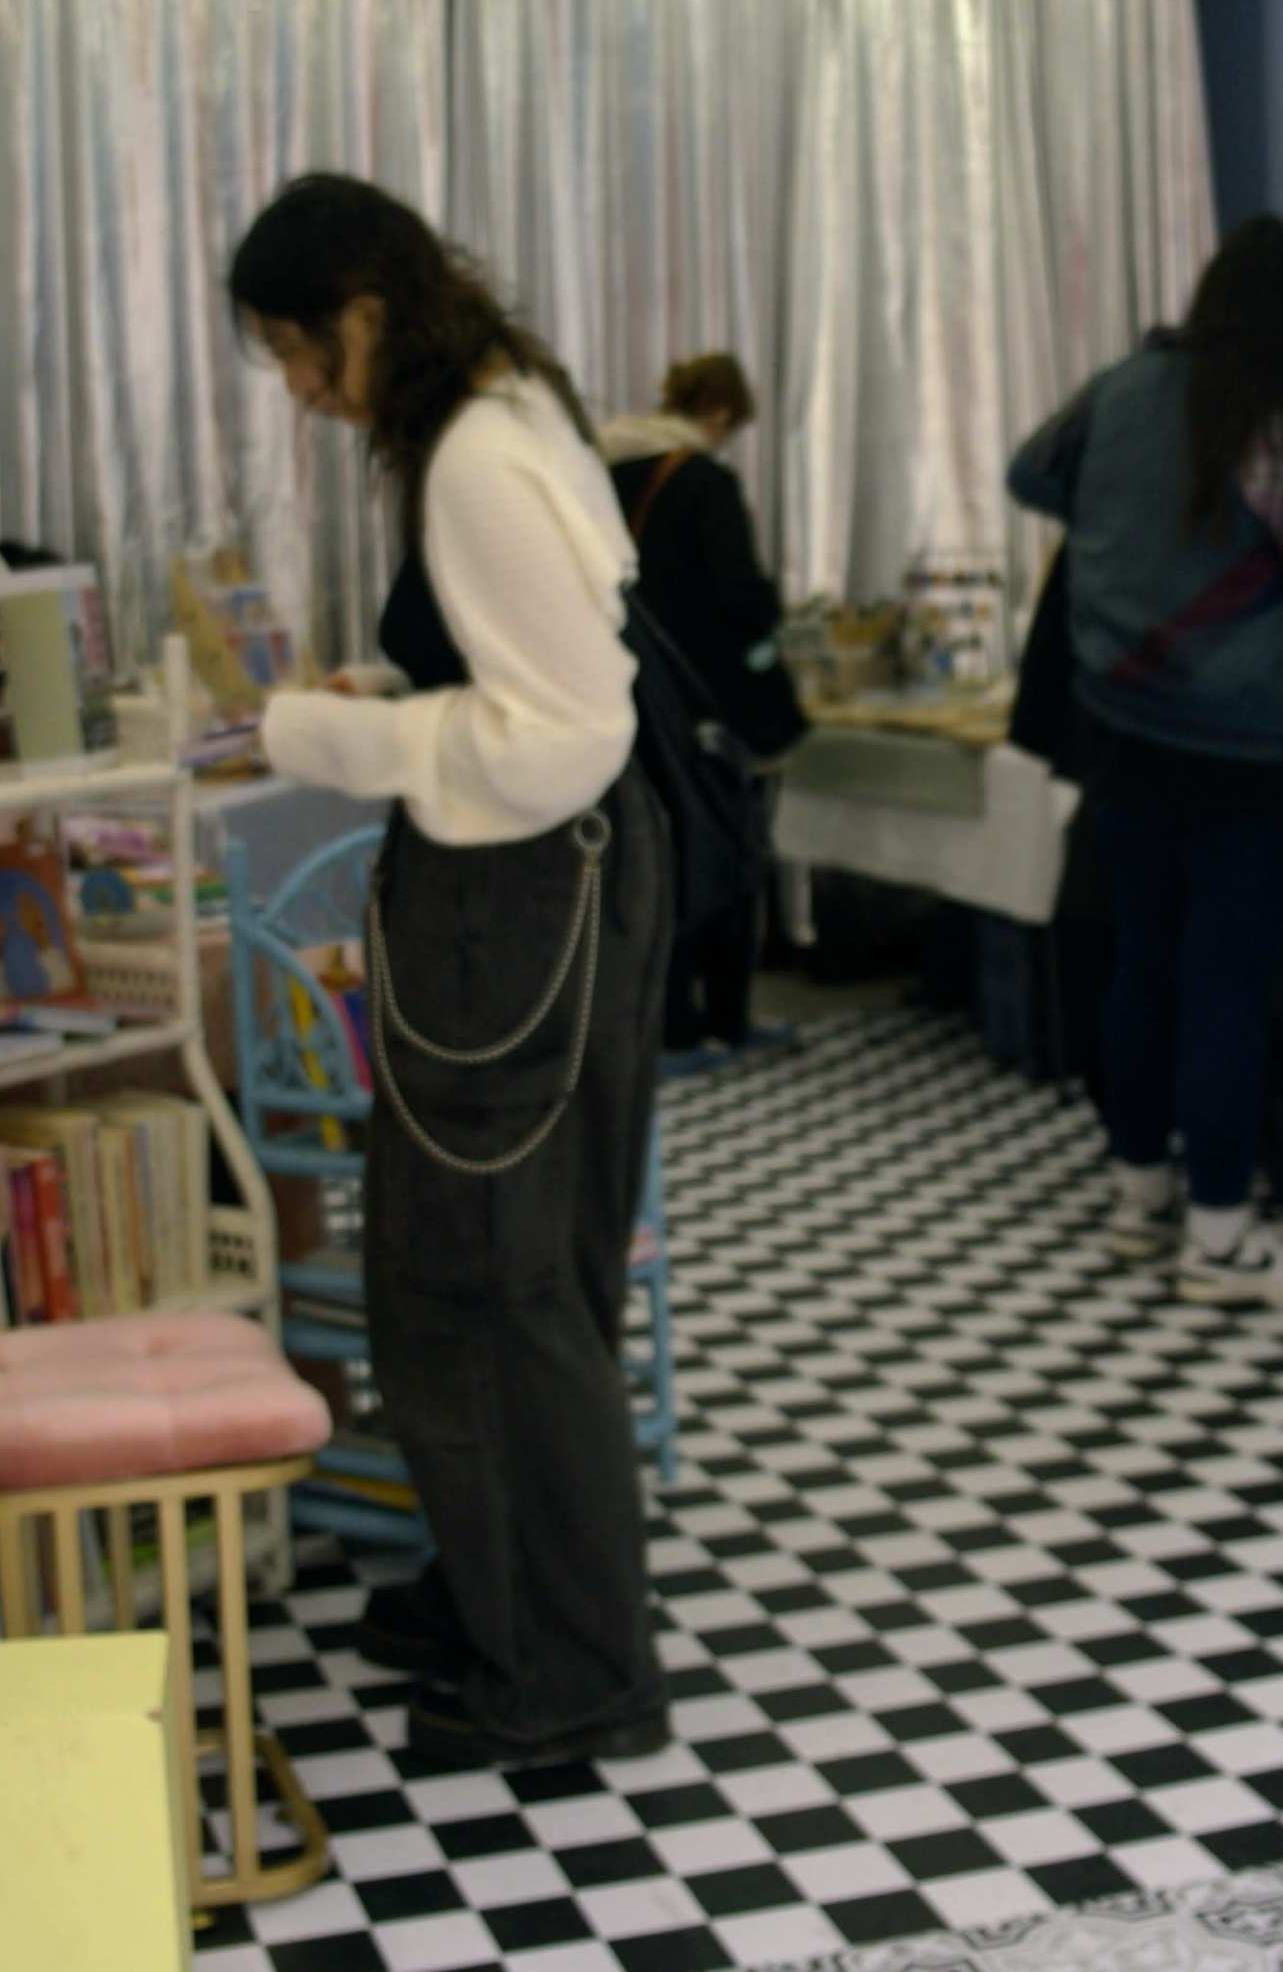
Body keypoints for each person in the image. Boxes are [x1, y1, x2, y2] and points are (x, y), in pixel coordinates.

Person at [229, 172, 675, 1769]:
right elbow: (536, 672)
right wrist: (403, 681)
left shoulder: (478, 449)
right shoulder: (512, 397)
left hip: (522, 892)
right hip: (560, 887)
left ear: (360, 310)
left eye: (295, 349)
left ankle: (564, 1663)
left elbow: (562, 732)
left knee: (483, 1277)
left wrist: (325, 730)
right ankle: (503, 1589)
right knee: (495, 1264)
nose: (296, 388)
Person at [1008, 216, 1283, 1304]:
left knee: (1144, 965)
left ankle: (1142, 1202)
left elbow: (1029, 470)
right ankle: (1221, 1242)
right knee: (1227, 984)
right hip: (1260, 755)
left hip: (1122, 732)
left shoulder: (1123, 389)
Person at [601, 354, 808, 1051]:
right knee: (728, 852)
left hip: (624, 697)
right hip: (705, 704)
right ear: (718, 415)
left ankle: (669, 1020)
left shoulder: (601, 469)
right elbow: (740, 595)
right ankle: (727, 1015)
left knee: (654, 860)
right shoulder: (702, 480)